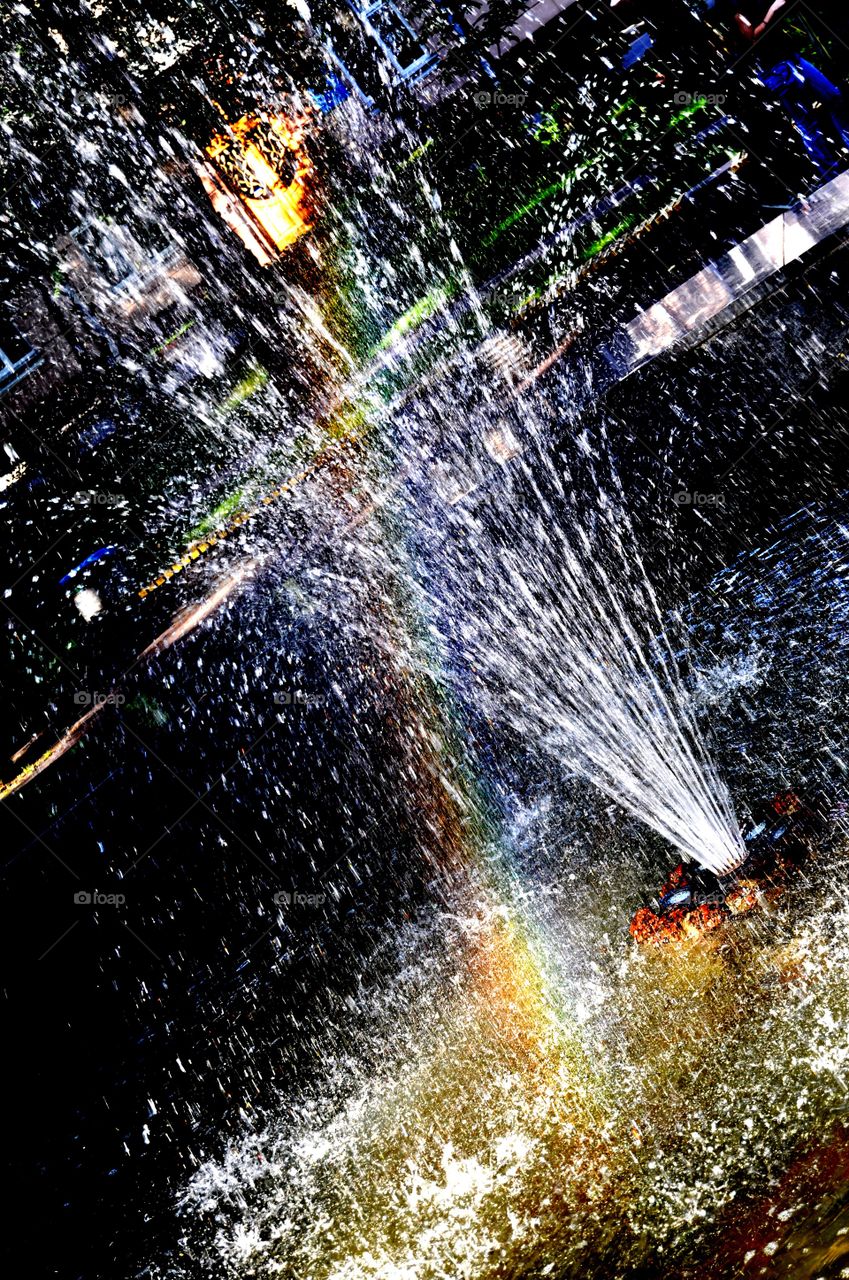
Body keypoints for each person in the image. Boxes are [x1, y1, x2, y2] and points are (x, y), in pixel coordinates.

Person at [722, 0, 849, 179]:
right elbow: (750, 37)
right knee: (807, 121)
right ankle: (829, 172)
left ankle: (839, 153)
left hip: (790, 56)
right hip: (776, 69)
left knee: (833, 97)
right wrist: (772, 11)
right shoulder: (737, 9)